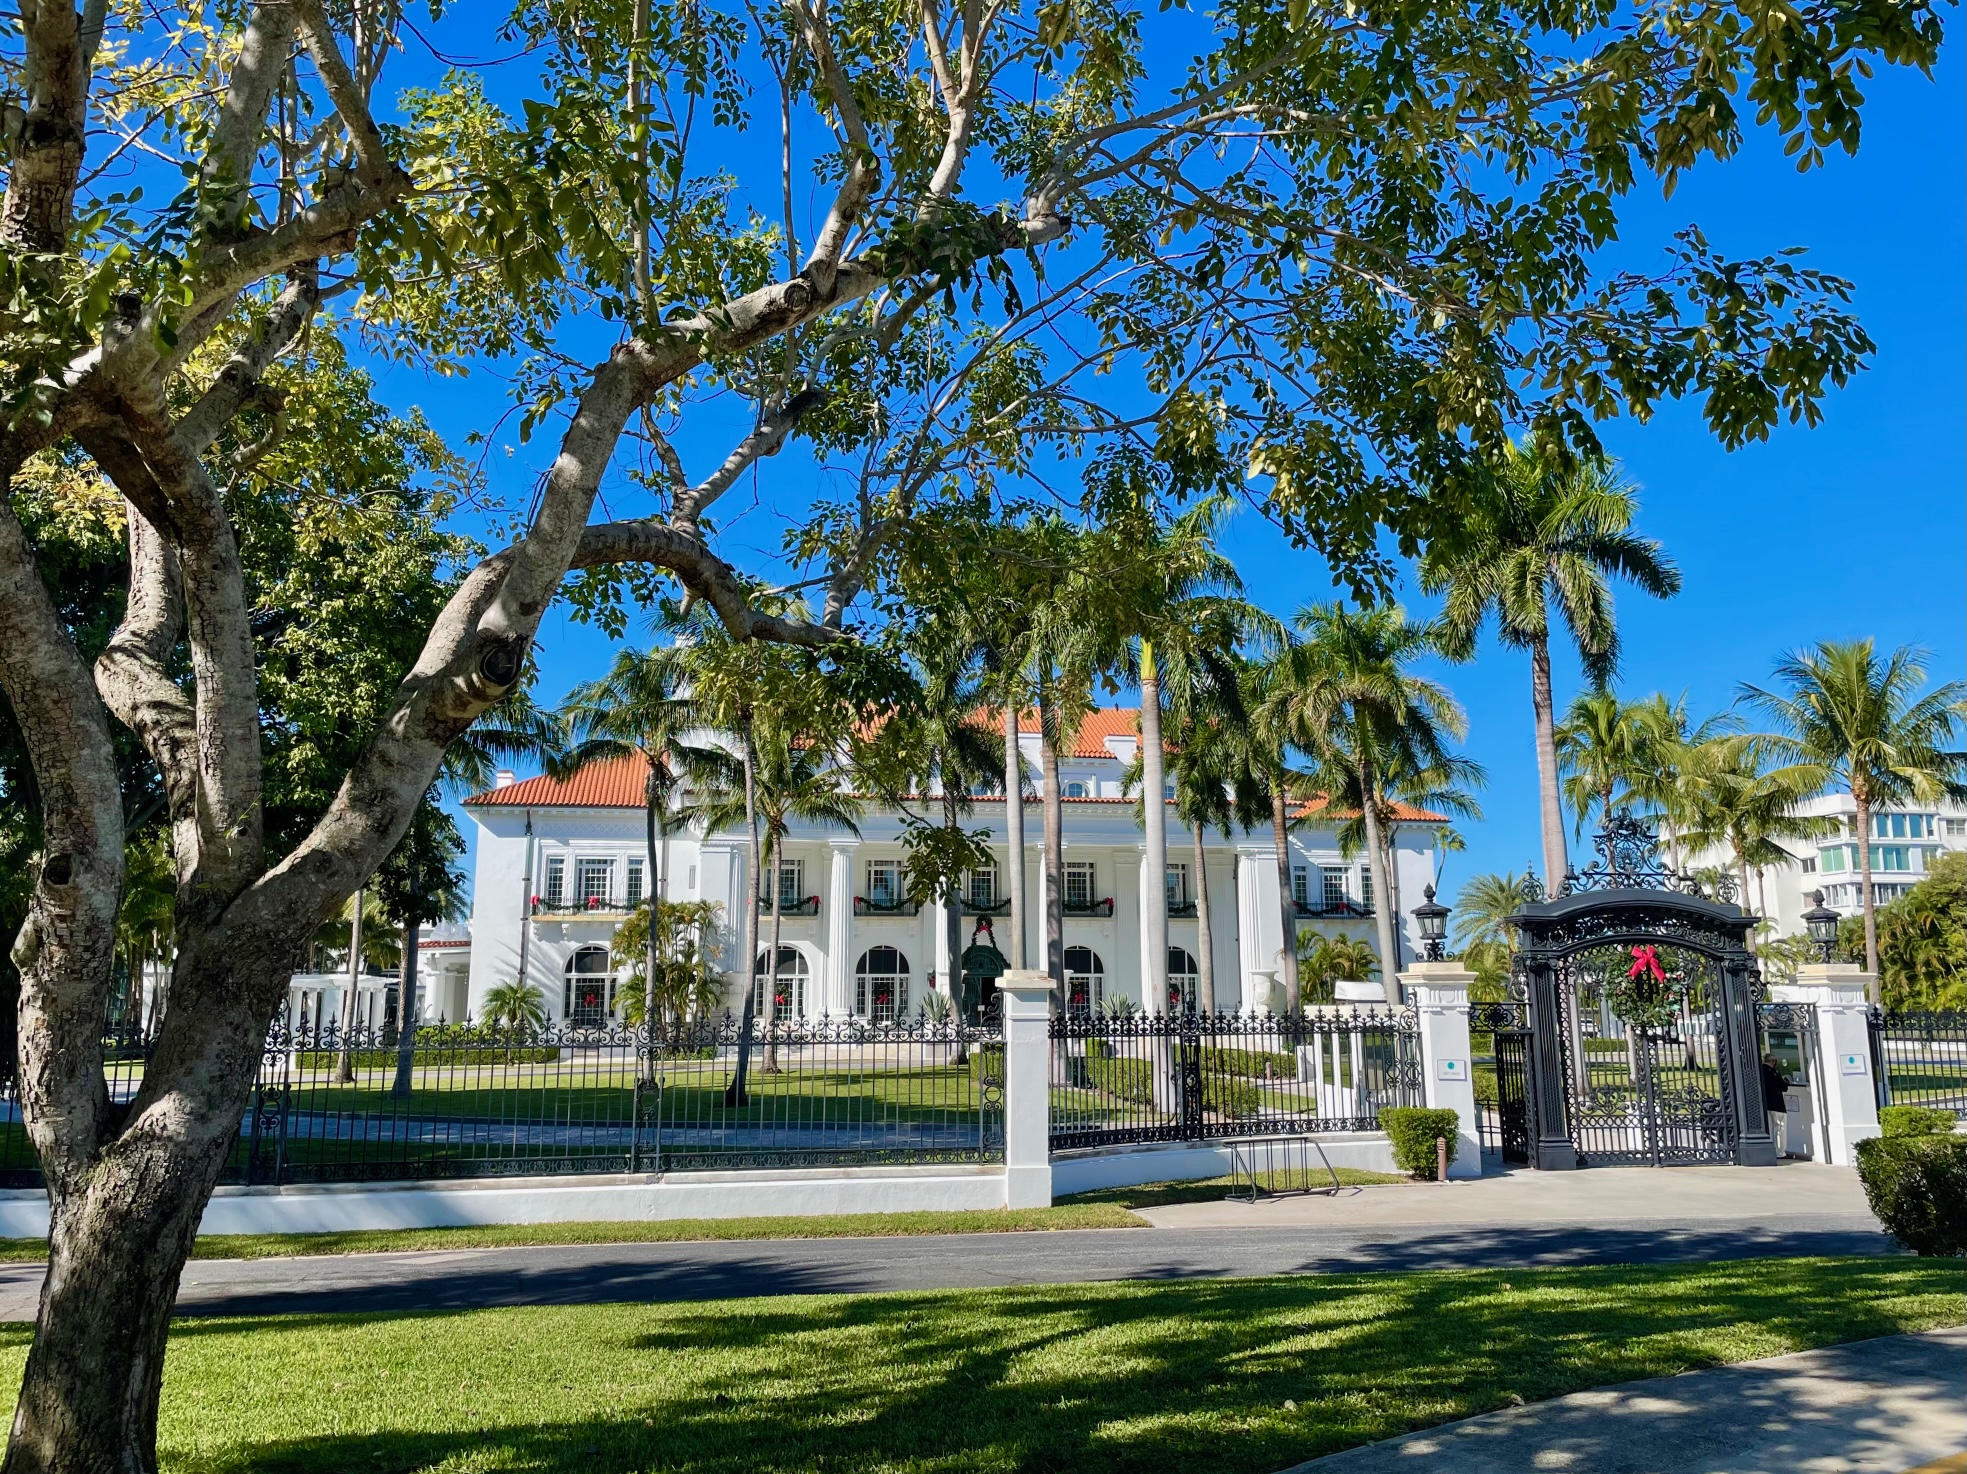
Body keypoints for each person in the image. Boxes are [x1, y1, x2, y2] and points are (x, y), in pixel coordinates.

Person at [1761, 1053, 1791, 1152]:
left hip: (1766, 1104)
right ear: (1773, 1062)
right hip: (1777, 1104)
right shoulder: (1774, 1072)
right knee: (1780, 1128)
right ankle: (1780, 1151)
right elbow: (1783, 1086)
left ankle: (1770, 1149)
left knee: (1770, 1127)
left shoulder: (1760, 1071)